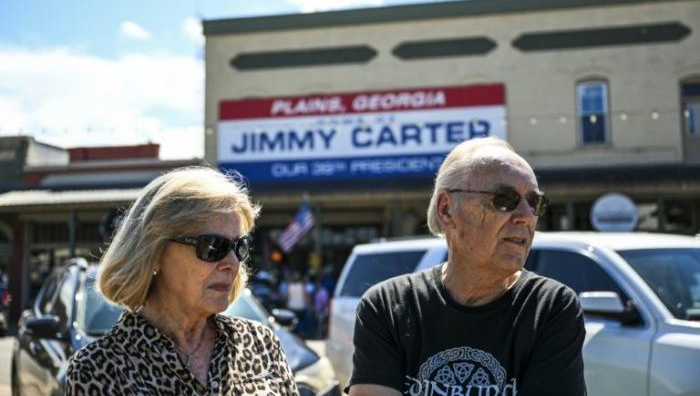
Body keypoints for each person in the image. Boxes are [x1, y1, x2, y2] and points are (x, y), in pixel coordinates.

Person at [347, 137, 587, 396]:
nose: (527, 216)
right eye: (505, 199)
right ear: (446, 209)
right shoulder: (389, 306)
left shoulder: (549, 308)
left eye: (534, 202)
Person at [65, 166, 298, 395]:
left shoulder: (260, 342)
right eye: (213, 246)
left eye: (239, 247)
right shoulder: (98, 368)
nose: (233, 263)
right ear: (154, 253)